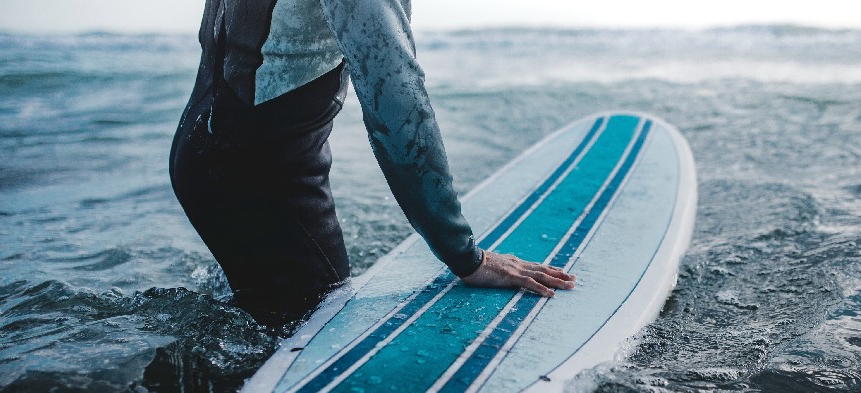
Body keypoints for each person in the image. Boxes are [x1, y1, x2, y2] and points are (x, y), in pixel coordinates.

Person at [169, 0, 575, 325]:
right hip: (263, 181)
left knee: (256, 318)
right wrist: (466, 256)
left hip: (202, 149)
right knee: (309, 339)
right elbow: (397, 108)